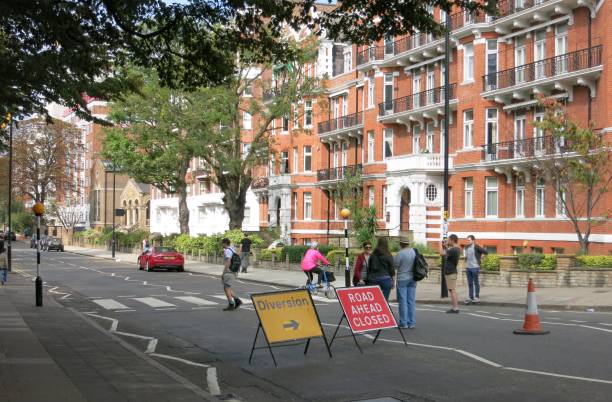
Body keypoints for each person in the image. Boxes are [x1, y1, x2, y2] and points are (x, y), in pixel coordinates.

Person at [394, 238, 416, 328]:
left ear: (401, 244)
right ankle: (412, 322)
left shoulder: (400, 253)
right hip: (413, 278)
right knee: (411, 301)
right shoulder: (414, 252)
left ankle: (404, 322)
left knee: (402, 301)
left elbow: (395, 265)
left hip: (402, 278)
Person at [464, 235, 488, 304]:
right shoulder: (466, 247)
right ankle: (470, 297)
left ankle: (477, 297)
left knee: (476, 283)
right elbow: (466, 256)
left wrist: (481, 257)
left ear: (473, 240)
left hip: (475, 267)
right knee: (470, 283)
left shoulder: (476, 247)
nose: (467, 241)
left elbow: (485, 252)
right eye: (467, 240)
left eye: (469, 240)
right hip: (468, 268)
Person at [441, 234, 461, 313]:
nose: (448, 241)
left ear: (452, 240)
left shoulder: (453, 250)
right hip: (452, 272)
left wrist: (440, 244)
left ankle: (455, 308)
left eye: (449, 240)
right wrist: (446, 246)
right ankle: (455, 307)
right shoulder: (456, 249)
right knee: (452, 290)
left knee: (452, 290)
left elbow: (442, 253)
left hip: (450, 272)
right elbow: (448, 252)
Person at [221, 237, 242, 311]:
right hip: (234, 271)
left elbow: (228, 261)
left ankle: (231, 304)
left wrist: (224, 272)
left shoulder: (227, 250)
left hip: (229, 271)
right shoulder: (233, 249)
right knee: (227, 287)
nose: (222, 245)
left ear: (224, 243)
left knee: (226, 288)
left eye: (222, 243)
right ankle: (237, 300)